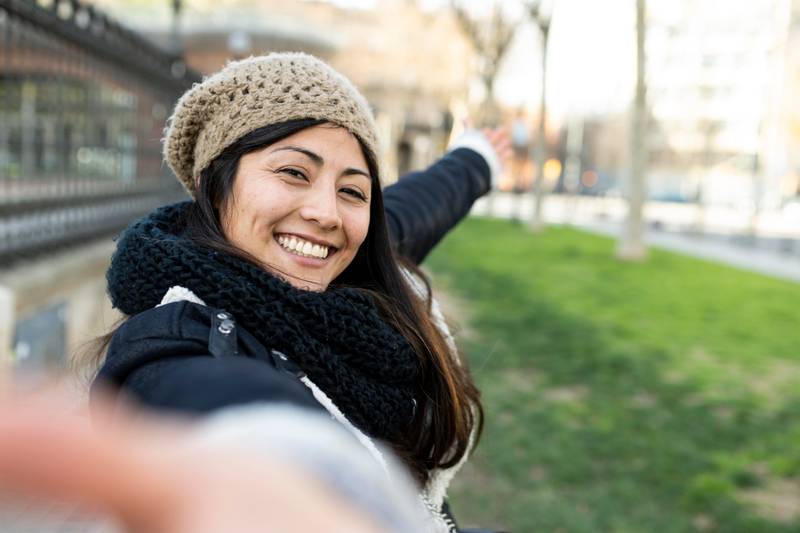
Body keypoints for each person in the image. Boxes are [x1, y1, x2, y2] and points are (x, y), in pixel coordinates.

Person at [81, 52, 509, 532]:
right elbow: (211, 405)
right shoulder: (173, 343)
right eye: (293, 173)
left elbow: (418, 207)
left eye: (352, 191)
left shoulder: (356, 268)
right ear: (213, 184)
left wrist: (476, 160)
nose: (327, 213)